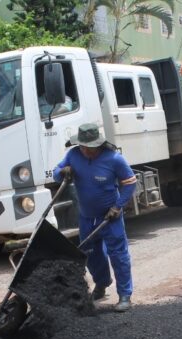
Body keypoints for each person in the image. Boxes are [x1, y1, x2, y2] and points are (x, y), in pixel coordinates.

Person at [52, 123, 137, 312]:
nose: (85, 151)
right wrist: (63, 172)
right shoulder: (74, 155)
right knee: (91, 254)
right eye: (82, 146)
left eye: (89, 148)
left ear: (98, 145)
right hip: (86, 217)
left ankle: (124, 295)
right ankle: (102, 283)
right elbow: (56, 173)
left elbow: (130, 183)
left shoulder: (114, 159)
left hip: (110, 217)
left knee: (118, 255)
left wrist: (118, 206)